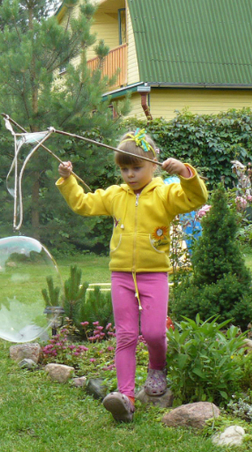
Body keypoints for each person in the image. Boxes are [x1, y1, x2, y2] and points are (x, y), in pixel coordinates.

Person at [56, 129, 208, 422]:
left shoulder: (165, 194)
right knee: (125, 335)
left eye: (136, 168)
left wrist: (185, 173)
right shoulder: (115, 195)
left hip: (155, 274)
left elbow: (196, 198)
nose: (130, 174)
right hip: (121, 275)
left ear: (153, 164)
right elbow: (83, 204)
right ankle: (125, 397)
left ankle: (157, 368)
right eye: (124, 169)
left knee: (153, 333)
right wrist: (68, 179)